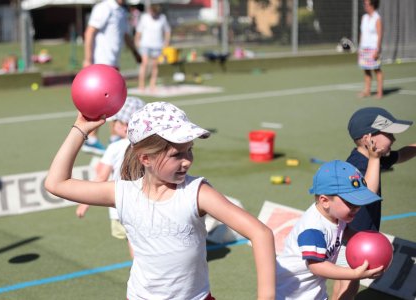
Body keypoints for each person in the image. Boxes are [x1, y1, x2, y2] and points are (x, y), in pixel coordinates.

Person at [46, 101, 276, 299]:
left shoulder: (197, 193)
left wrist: (266, 297)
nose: (187, 161)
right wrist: (81, 128)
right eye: (177, 154)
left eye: (190, 150)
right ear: (145, 158)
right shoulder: (124, 193)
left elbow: (261, 233)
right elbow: (56, 183)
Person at [331, 107, 415, 299]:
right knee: (348, 287)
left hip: (356, 237)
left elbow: (401, 155)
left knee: (345, 285)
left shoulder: (372, 157)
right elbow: (366, 193)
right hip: (350, 237)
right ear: (369, 138)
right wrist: (375, 160)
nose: (394, 139)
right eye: (389, 134)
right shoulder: (357, 165)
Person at [276, 160, 384, 300]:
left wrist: (366, 239)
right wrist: (354, 274)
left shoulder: (335, 215)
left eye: (359, 202)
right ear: (325, 201)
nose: (357, 208)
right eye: (351, 203)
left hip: (312, 287)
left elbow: (343, 231)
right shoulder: (313, 229)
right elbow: (317, 266)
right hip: (292, 292)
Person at [75, 96, 145, 258]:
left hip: (121, 207)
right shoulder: (148, 146)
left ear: (125, 126)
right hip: (145, 202)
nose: (113, 126)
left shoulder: (114, 148)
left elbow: (101, 178)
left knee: (133, 241)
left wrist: (85, 203)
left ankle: (140, 270)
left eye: (116, 123)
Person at [81, 0, 141, 155]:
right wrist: (88, 59)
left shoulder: (121, 11)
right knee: (97, 103)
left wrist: (136, 53)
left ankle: (114, 138)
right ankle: (91, 139)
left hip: (113, 64)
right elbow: (90, 32)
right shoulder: (103, 8)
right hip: (101, 62)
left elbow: (126, 35)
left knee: (114, 102)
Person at [135, 4, 171, 92]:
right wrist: (137, 41)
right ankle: (141, 84)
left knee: (155, 65)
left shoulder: (162, 18)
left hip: (157, 45)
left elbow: (167, 31)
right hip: (145, 45)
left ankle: (152, 85)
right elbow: (139, 31)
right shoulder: (144, 18)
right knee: (145, 63)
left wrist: (166, 42)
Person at [358, 0, 384, 99]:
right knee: (366, 70)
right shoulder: (364, 18)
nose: (365, 6)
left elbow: (379, 34)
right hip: (364, 48)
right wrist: (360, 47)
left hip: (373, 48)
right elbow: (362, 33)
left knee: (377, 70)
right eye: (364, 4)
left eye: (366, 4)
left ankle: (379, 92)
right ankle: (367, 91)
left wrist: (377, 49)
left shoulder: (377, 18)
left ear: (372, 5)